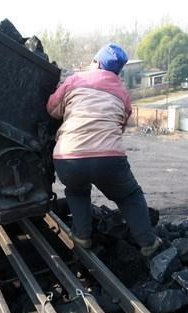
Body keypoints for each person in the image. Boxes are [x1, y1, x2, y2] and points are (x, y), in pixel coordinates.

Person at [46, 43, 162, 256]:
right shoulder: (123, 94)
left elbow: (52, 109)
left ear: (97, 62)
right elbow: (121, 125)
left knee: (77, 191)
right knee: (129, 195)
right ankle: (148, 243)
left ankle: (82, 236)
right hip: (109, 159)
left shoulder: (75, 80)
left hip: (68, 158)